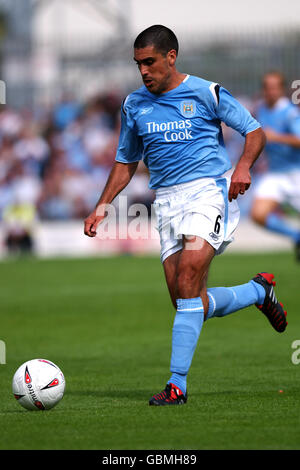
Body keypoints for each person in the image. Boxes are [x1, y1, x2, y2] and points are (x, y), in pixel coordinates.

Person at [84, 25, 287, 406]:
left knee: (190, 275)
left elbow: (254, 131)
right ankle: (258, 291)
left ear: (170, 57)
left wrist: (243, 167)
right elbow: (126, 162)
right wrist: (102, 205)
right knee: (186, 301)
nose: (143, 71)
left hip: (208, 192)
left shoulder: (206, 92)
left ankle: (177, 385)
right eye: (138, 64)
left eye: (150, 62)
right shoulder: (134, 105)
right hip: (166, 203)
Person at [251, 71, 300, 260]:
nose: (270, 91)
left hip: (295, 173)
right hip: (275, 174)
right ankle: (296, 236)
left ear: (282, 89)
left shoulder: (290, 112)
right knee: (258, 214)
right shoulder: (261, 109)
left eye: (274, 87)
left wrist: (276, 137)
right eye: (267, 87)